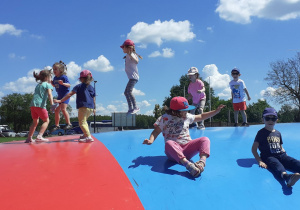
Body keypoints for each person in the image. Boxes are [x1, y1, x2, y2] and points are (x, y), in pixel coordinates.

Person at [143, 96, 225, 177]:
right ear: (175, 111)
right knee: (169, 143)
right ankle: (188, 165)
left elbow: (201, 116)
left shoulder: (187, 116)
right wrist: (151, 140)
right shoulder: (164, 118)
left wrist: (216, 111)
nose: (187, 112)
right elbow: (156, 131)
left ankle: (202, 162)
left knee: (205, 139)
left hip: (187, 148)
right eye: (184, 111)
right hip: (173, 153)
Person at [252, 108, 300, 187]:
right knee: (278, 166)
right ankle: (287, 177)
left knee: (294, 162)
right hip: (269, 156)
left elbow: (280, 146)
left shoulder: (278, 133)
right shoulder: (261, 133)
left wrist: (287, 157)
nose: (270, 121)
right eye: (267, 118)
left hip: (282, 155)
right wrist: (260, 161)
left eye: (273, 118)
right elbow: (254, 149)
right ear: (263, 119)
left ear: (276, 120)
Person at [54, 70, 95, 143]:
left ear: (81, 78)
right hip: (90, 107)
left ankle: (88, 137)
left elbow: (69, 94)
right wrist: (94, 107)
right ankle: (86, 134)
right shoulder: (91, 87)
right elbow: (93, 98)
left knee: (82, 122)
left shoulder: (78, 86)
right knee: (84, 121)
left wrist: (60, 100)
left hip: (83, 106)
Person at [25, 70, 54, 143]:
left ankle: (29, 138)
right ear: (47, 77)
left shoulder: (38, 85)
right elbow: (50, 95)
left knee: (35, 122)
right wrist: (52, 104)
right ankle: (40, 136)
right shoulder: (48, 85)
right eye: (51, 77)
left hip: (32, 105)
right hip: (40, 105)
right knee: (46, 121)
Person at [120, 39, 143, 115]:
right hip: (131, 77)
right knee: (126, 92)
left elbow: (137, 61)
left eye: (123, 47)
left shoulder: (132, 54)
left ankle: (135, 107)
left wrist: (131, 55)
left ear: (129, 48)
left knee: (128, 92)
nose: (122, 49)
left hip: (134, 77)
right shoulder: (128, 55)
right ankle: (130, 108)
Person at [51, 60, 72, 131]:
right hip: (59, 95)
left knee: (63, 109)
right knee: (57, 110)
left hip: (65, 95)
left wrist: (63, 83)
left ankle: (69, 123)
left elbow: (69, 85)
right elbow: (54, 85)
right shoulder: (55, 78)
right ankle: (57, 125)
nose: (54, 70)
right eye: (53, 69)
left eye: (55, 69)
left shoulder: (64, 77)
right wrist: (51, 83)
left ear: (60, 70)